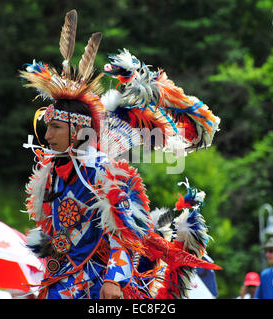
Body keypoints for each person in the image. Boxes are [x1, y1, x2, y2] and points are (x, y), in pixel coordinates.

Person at [20, 10, 221, 299]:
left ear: (77, 131)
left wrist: (113, 280)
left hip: (97, 283)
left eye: (54, 127)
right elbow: (54, 236)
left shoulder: (104, 172)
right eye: (47, 128)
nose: (47, 135)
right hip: (62, 281)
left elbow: (125, 235)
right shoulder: (49, 175)